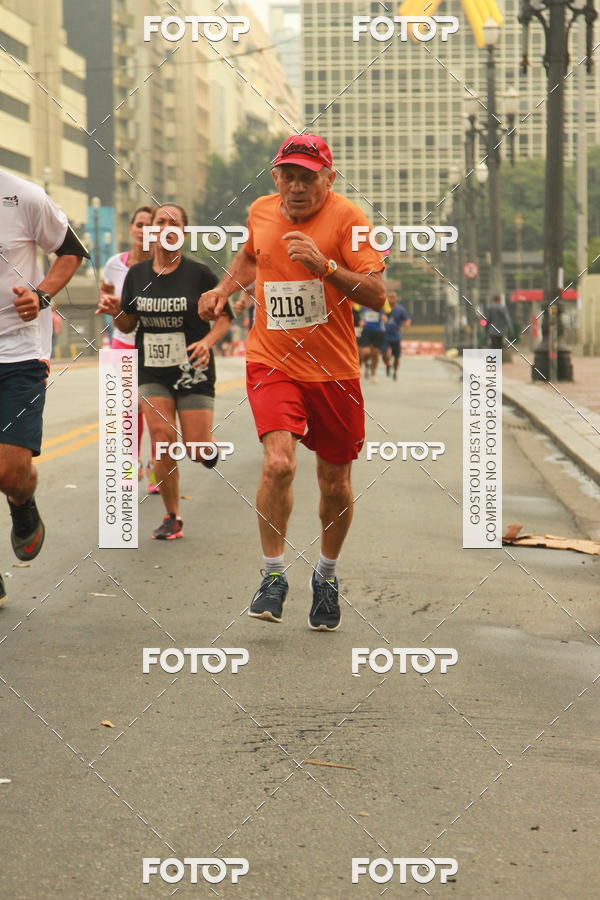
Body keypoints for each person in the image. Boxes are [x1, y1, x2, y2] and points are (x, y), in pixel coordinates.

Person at [199, 133, 385, 631]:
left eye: (308, 177)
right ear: (275, 177)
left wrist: (326, 266)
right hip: (272, 362)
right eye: (289, 177)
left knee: (335, 483)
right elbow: (249, 256)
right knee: (278, 463)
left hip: (334, 372)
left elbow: (377, 293)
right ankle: (273, 574)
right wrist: (222, 289)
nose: (297, 187)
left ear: (329, 179)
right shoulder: (261, 211)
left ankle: (326, 575)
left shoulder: (351, 221)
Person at [97, 203, 234, 540]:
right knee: (162, 439)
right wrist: (116, 312)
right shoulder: (137, 275)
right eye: (160, 222)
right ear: (151, 230)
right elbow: (128, 324)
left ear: (183, 232)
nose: (165, 227)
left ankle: (206, 445)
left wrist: (208, 342)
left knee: (196, 449)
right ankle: (173, 516)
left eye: (174, 223)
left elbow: (224, 318)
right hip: (153, 370)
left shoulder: (199, 274)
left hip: (193, 368)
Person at [0, 169, 88, 605]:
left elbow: (72, 251)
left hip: (18, 354)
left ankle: (22, 502)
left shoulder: (24, 196)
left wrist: (41, 294)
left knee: (9, 472)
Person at [100, 206, 158, 492]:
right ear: (131, 228)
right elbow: (106, 291)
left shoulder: (164, 265)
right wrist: (108, 305)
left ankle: (157, 467)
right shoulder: (114, 264)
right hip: (123, 341)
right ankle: (131, 462)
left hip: (156, 345)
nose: (143, 230)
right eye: (139, 224)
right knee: (129, 406)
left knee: (156, 407)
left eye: (149, 226)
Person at [382, 292, 411, 380]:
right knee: (383, 354)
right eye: (389, 297)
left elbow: (407, 319)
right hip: (384, 335)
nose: (391, 299)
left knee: (396, 357)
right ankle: (387, 365)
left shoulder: (400, 309)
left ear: (396, 298)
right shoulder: (383, 308)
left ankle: (395, 372)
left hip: (395, 336)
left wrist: (406, 324)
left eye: (393, 297)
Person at [358, 307, 386, 383]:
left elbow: (386, 316)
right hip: (366, 331)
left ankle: (373, 375)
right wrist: (361, 321)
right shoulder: (363, 307)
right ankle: (367, 366)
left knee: (375, 353)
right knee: (366, 352)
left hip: (378, 332)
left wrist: (384, 318)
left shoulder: (380, 306)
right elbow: (360, 317)